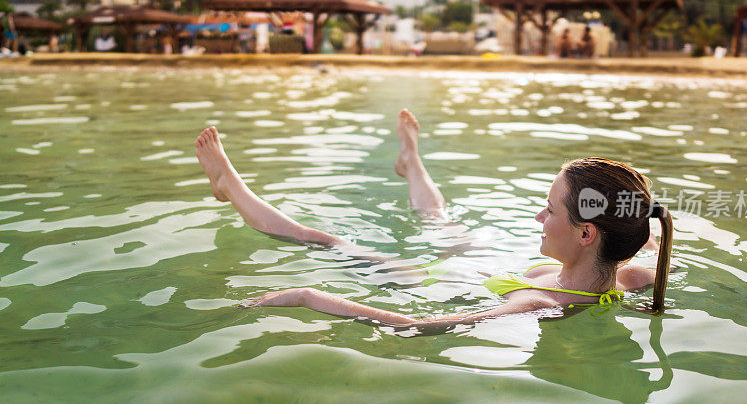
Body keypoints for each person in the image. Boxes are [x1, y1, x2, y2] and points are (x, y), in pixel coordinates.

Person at [194, 110, 673, 328]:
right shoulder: (633, 272)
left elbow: (415, 326)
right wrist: (644, 227)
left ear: (587, 233)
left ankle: (232, 189)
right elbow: (646, 240)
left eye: (549, 209)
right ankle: (412, 164)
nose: (538, 215)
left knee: (326, 240)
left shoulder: (534, 307)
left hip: (446, 284)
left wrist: (308, 296)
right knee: (440, 219)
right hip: (491, 270)